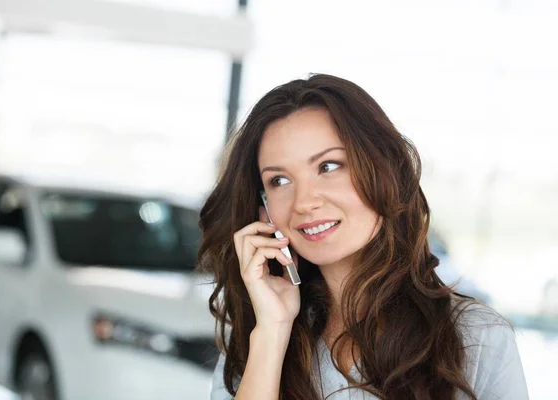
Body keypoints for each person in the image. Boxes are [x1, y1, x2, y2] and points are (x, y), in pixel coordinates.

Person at [197, 74, 528, 399]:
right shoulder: (258, 334)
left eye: (328, 167)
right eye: (279, 181)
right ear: (263, 208)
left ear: (381, 168)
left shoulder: (476, 337)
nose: (304, 202)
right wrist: (273, 330)